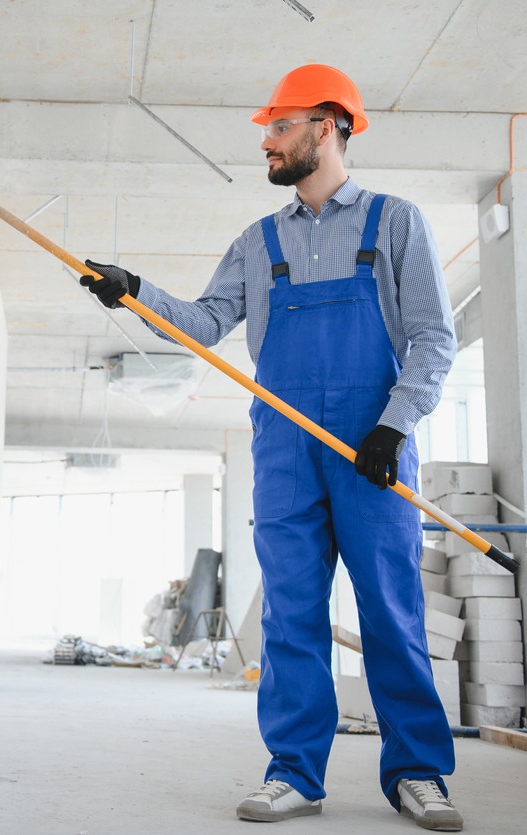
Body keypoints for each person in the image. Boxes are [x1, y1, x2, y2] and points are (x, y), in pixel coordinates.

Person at [81, 64, 462, 831]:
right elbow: (204, 323)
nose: (266, 139)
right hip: (285, 446)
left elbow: (432, 337)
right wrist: (133, 289)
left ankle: (418, 772)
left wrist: (393, 424)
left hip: (370, 447)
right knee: (290, 615)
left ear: (327, 126)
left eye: (279, 125)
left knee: (390, 611)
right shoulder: (257, 241)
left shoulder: (394, 222)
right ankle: (294, 772)